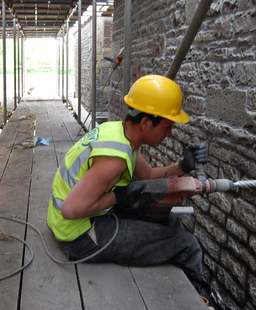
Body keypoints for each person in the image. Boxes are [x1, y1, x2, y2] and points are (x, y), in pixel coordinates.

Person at [47, 74, 208, 291]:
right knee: (188, 247)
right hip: (78, 235)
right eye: (167, 127)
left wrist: (183, 166)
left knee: (170, 222)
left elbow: (148, 175)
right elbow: (70, 209)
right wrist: (117, 196)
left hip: (83, 218)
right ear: (145, 122)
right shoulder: (114, 159)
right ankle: (197, 301)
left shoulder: (119, 133)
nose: (169, 134)